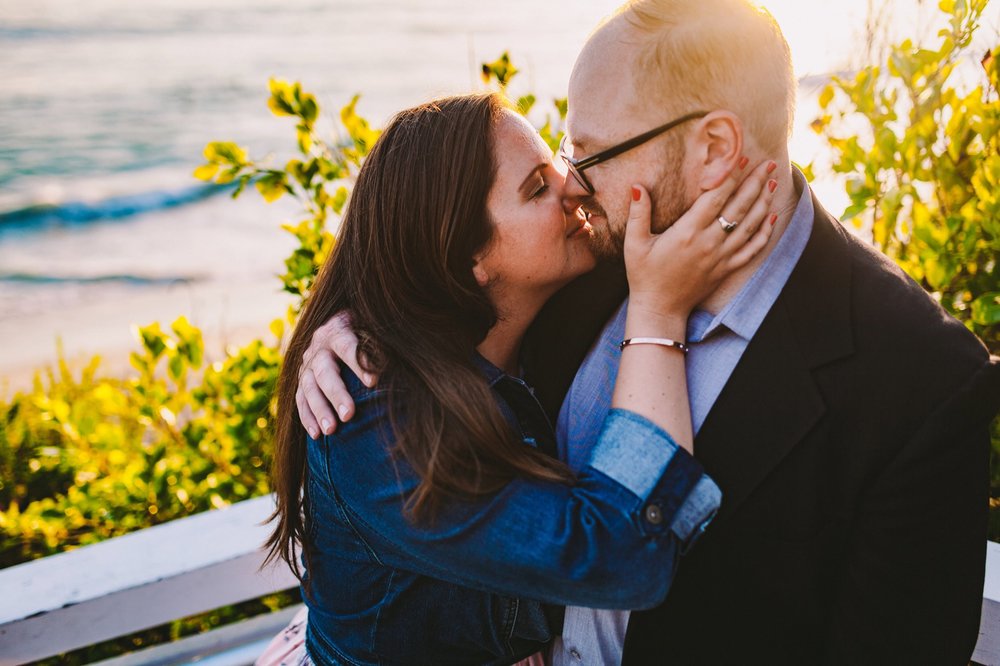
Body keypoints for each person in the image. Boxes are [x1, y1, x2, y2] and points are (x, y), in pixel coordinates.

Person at [297, 1, 1000, 664]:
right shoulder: (577, 263)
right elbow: (441, 278)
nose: (575, 185)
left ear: (715, 148)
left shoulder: (919, 379)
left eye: (593, 153)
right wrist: (361, 324)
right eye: (552, 172)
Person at [260, 91, 779, 666]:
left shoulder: (544, 302)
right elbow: (617, 555)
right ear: (466, 259)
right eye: (538, 188)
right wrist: (659, 312)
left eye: (557, 160)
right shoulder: (372, 415)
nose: (576, 186)